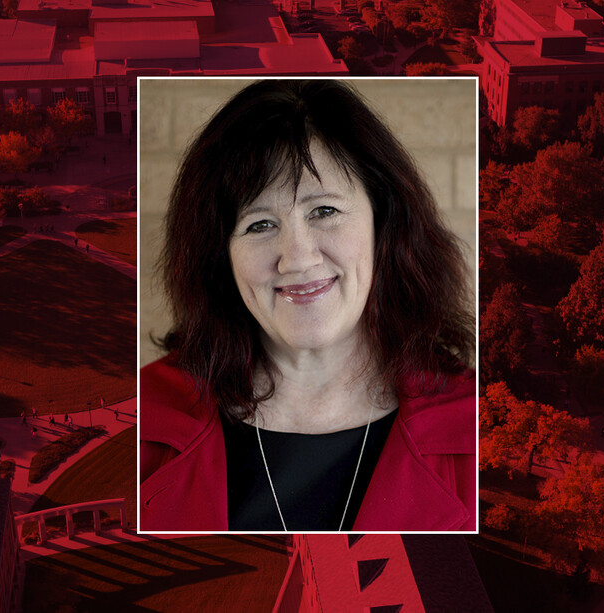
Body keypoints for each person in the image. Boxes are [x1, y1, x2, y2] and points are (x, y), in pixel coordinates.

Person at [139, 80, 475, 532]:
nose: (297, 258)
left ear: (384, 221)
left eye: (324, 212)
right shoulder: (145, 415)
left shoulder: (479, 424)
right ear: (220, 256)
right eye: (259, 224)